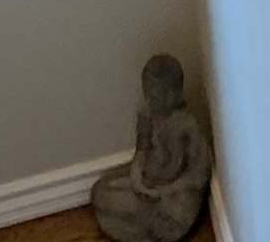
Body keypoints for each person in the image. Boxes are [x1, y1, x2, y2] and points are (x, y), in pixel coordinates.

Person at [89, 55, 212, 242]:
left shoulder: (187, 126)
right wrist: (136, 176)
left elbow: (198, 175)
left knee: (177, 213)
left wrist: (165, 191)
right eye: (147, 92)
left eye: (155, 95)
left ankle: (150, 222)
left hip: (172, 195)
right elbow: (141, 151)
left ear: (174, 94)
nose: (149, 99)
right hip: (148, 181)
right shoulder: (146, 114)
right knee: (100, 191)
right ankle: (144, 218)